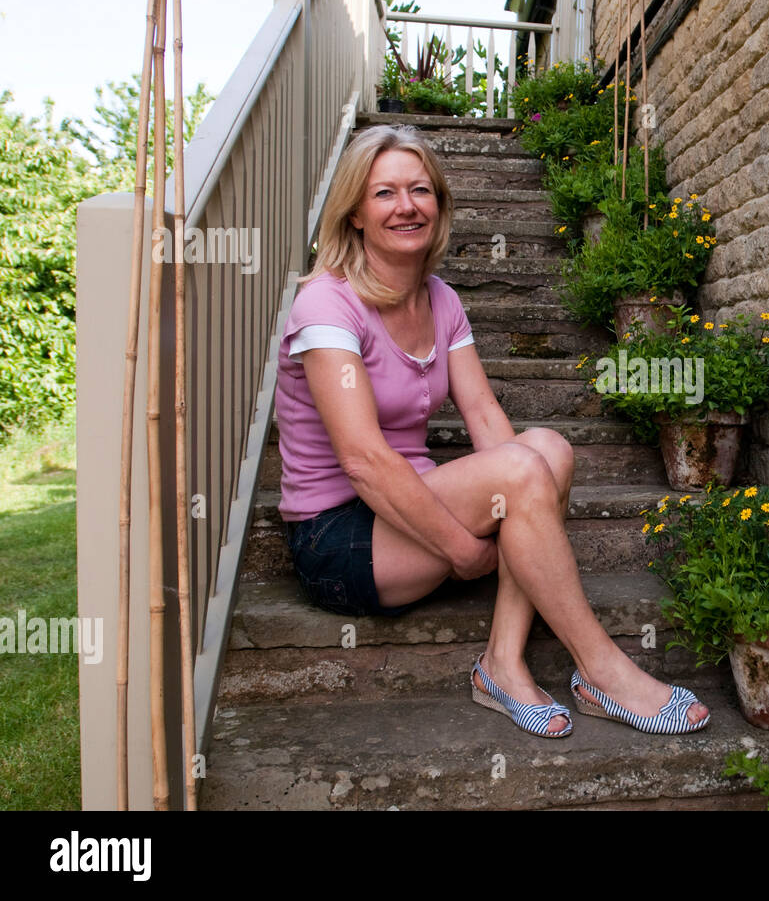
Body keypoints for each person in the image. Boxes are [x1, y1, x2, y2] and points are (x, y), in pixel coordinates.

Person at [274, 124, 709, 737]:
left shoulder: (442, 301)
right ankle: (602, 668)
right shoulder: (326, 303)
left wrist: (525, 485)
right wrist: (462, 547)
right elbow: (364, 459)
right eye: (385, 194)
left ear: (440, 206)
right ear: (354, 215)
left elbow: (481, 414)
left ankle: (503, 664)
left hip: (411, 504)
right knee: (523, 470)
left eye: (421, 190)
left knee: (548, 450)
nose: (407, 206)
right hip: (339, 537)